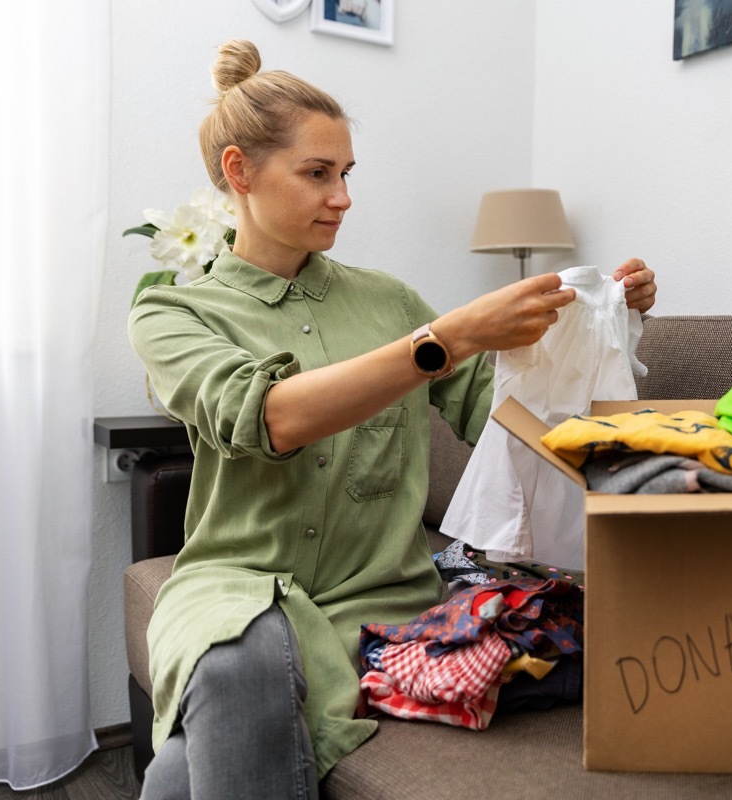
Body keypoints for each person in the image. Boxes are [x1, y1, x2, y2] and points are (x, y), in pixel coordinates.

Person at [128, 39, 657, 800]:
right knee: (236, 657)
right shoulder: (172, 311)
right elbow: (271, 418)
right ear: (239, 172)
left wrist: (605, 325)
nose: (342, 196)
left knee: (183, 768)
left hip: (383, 599)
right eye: (318, 173)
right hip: (231, 585)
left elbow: (504, 420)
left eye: (346, 174)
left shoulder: (390, 303)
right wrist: (447, 338)